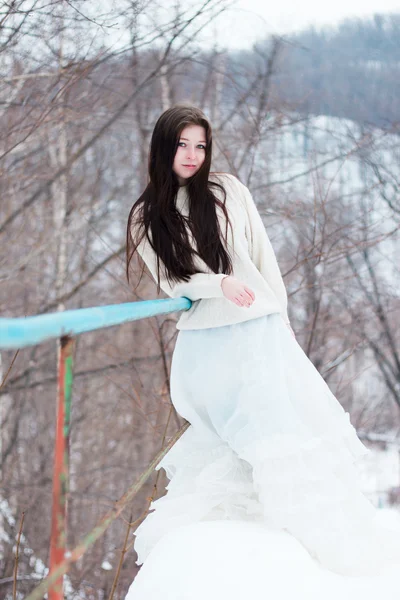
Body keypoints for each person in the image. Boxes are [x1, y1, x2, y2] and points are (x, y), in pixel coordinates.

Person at [126, 104, 400, 577]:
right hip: (207, 344)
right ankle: (236, 563)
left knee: (283, 439)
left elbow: (262, 256)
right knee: (229, 446)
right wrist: (219, 285)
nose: (192, 155)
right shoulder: (146, 216)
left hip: (258, 333)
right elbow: (174, 283)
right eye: (182, 144)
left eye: (200, 145)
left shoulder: (228, 190)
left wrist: (281, 313)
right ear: (162, 148)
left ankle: (314, 559)